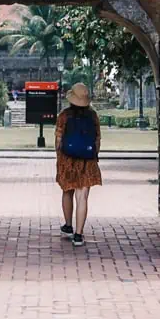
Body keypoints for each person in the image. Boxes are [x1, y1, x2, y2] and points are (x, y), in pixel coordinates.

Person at [55, 82, 101, 247]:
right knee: (82, 197)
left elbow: (58, 139)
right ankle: (79, 235)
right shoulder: (93, 116)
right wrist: (94, 156)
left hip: (68, 158)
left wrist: (59, 158)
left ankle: (68, 225)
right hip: (87, 160)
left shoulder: (64, 115)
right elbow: (97, 140)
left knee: (67, 191)